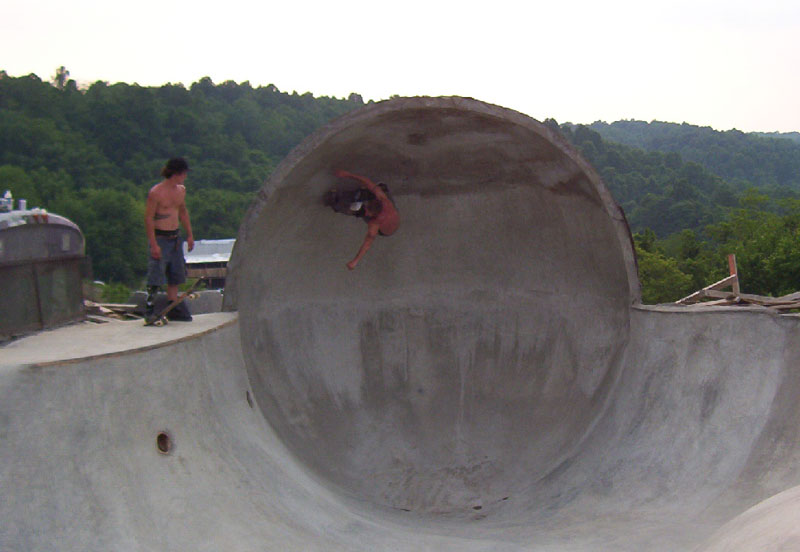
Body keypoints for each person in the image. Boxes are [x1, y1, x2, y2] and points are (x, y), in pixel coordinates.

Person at [144, 157, 195, 322]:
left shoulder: (181, 190)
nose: (185, 177)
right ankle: (150, 307)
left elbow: (183, 212)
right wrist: (153, 244)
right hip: (161, 236)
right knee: (156, 272)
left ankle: (172, 304)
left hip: (175, 237)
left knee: (176, 272)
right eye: (184, 173)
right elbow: (149, 218)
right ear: (177, 173)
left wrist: (189, 234)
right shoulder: (156, 193)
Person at [333, 169, 399, 270]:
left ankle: (338, 205)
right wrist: (347, 174)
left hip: (385, 230)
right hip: (394, 217)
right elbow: (367, 181)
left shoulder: (375, 223)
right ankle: (365, 194)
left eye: (369, 212)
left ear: (375, 215)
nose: (367, 213)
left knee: (359, 211)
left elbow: (368, 242)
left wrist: (355, 261)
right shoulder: (384, 199)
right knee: (380, 187)